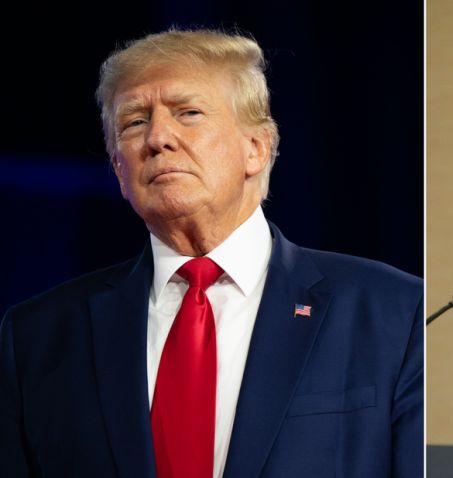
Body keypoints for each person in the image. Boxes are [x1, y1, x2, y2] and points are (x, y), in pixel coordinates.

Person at [0, 29, 422, 478]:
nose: (158, 138)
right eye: (134, 122)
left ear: (256, 149)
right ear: (119, 170)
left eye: (189, 113)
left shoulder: (393, 311)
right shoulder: (36, 337)